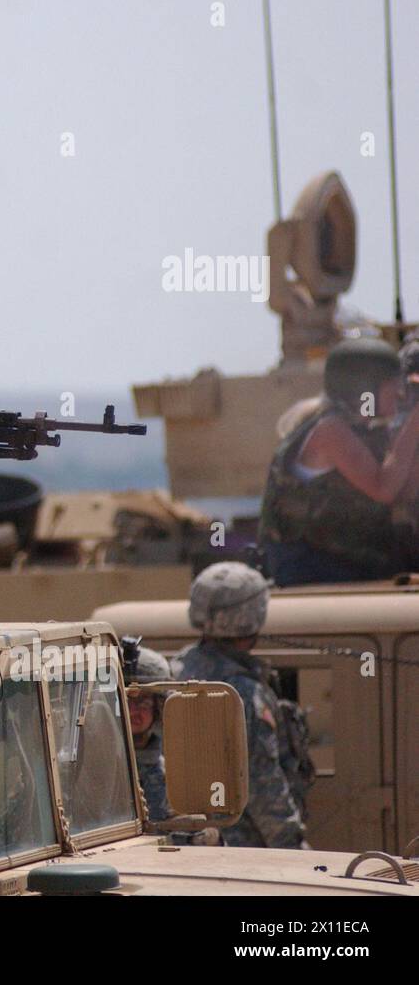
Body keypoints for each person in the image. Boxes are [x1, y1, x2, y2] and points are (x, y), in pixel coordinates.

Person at [259, 337, 419, 585]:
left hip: (348, 563)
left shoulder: (366, 431)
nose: (399, 393)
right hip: (310, 569)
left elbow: (402, 493)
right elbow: (383, 489)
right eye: (391, 385)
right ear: (366, 389)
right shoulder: (330, 431)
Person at [174, 562, 310, 848]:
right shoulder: (243, 692)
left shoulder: (175, 673)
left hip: (194, 843)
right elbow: (262, 782)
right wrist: (293, 847)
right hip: (245, 851)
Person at [121, 637, 173, 824]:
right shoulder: (87, 771)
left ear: (158, 707)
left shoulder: (174, 774)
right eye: (127, 700)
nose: (133, 711)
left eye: (143, 702)